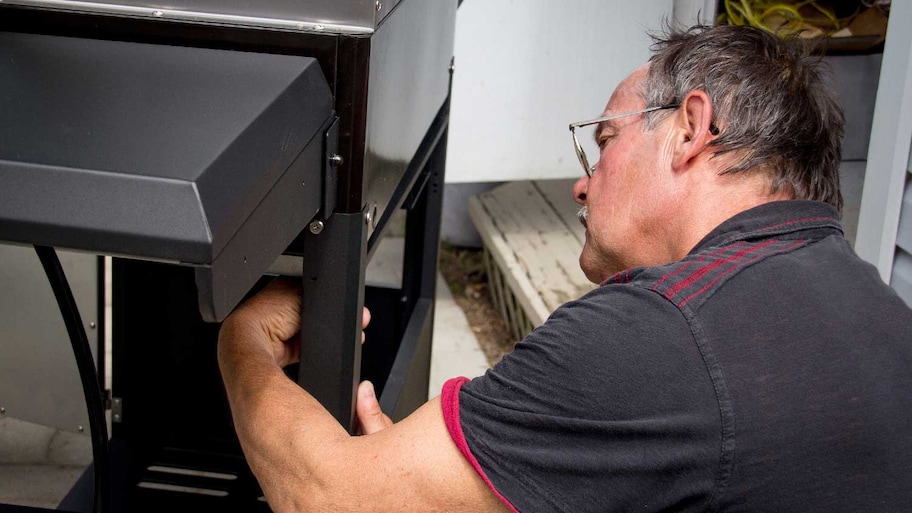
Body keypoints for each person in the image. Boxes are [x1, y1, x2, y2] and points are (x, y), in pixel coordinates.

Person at [218, 24, 912, 512]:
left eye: (603, 140)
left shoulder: (662, 333)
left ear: (690, 129)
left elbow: (330, 495)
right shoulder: (880, 312)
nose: (580, 185)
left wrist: (240, 341)